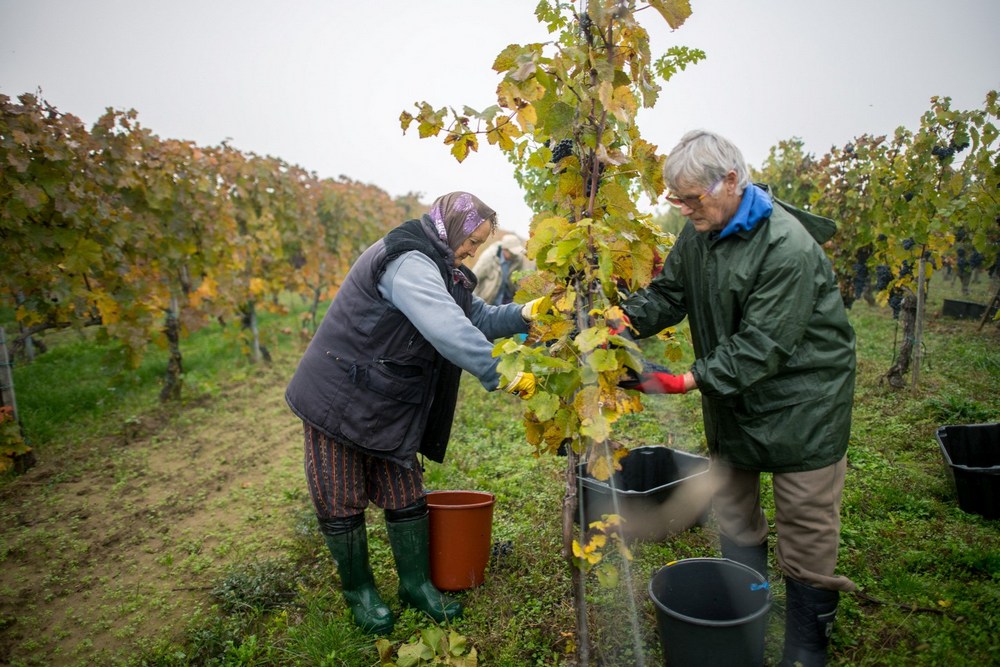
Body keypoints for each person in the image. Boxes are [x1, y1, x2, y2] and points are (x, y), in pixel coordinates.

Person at [620, 130, 857, 667]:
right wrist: (625, 319)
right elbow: (671, 293)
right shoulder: (700, 233)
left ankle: (804, 644)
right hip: (733, 399)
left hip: (803, 403)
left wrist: (681, 381)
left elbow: (762, 346)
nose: (683, 210)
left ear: (730, 181)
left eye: (691, 198)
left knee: (806, 522)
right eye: (674, 200)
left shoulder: (786, 246)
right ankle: (749, 610)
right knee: (733, 508)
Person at [285, 192, 540, 635]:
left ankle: (415, 585)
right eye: (472, 240)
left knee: (405, 491)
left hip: (388, 395)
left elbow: (475, 315)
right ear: (452, 229)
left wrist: (524, 314)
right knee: (340, 496)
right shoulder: (408, 261)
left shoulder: (441, 266)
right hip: (340, 393)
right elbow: (446, 325)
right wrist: (503, 371)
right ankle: (361, 594)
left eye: (481, 244)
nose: (473, 252)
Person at [471, 232, 533, 305]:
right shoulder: (489, 258)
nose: (515, 255)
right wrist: (474, 302)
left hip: (506, 302)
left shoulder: (518, 259)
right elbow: (474, 278)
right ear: (504, 249)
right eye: (512, 252)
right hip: (488, 302)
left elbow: (520, 282)